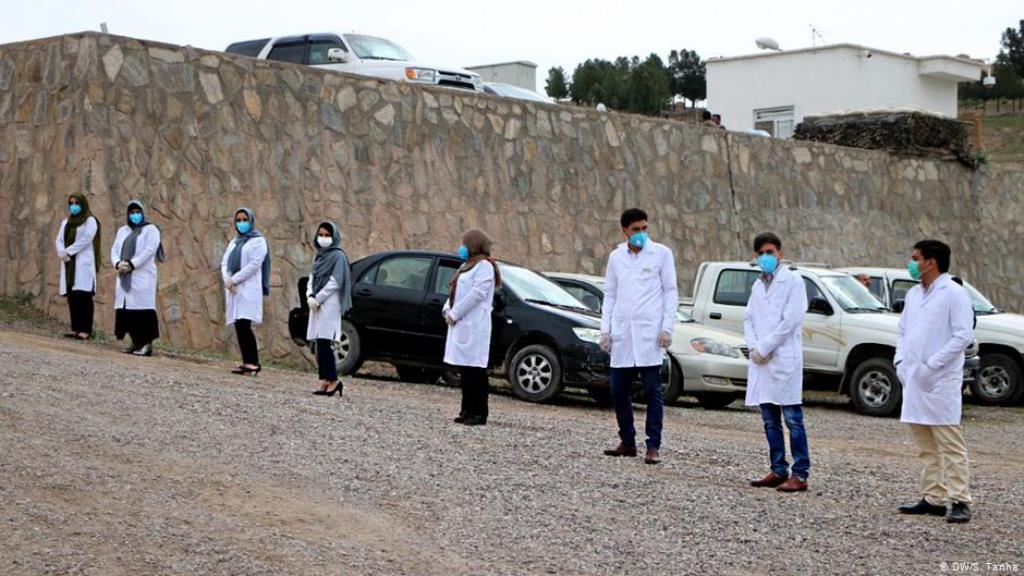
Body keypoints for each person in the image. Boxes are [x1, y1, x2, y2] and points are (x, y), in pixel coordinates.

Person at [896, 240, 975, 524]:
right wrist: (900, 362)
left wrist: (933, 365)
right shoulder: (915, 294)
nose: (912, 262)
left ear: (931, 262)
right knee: (924, 444)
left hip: (940, 380)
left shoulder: (953, 293)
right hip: (914, 378)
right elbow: (903, 330)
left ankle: (960, 499)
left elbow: (962, 336)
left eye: (915, 258)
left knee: (949, 443)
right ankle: (934, 497)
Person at [600, 208, 678, 465]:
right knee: (619, 390)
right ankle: (627, 441)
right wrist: (606, 330)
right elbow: (610, 294)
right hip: (623, 335)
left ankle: (653, 445)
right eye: (636, 230)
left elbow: (670, 292)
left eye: (645, 228)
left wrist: (667, 327)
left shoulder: (661, 255)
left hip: (649, 334)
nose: (641, 234)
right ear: (624, 231)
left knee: (651, 391)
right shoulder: (616, 258)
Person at [744, 232, 810, 492]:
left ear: (780, 254)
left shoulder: (793, 281)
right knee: (769, 419)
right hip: (762, 360)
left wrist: (766, 346)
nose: (765, 257)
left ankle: (800, 473)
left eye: (770, 252)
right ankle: (777, 469)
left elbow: (791, 320)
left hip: (783, 359)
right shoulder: (757, 286)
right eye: (760, 253)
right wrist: (754, 347)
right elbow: (748, 318)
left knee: (793, 419)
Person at [443, 229, 501, 426]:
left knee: (475, 370)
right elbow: (454, 290)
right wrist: (447, 309)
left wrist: (455, 313)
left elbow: (477, 294)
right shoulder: (465, 266)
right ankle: (466, 409)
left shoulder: (484, 266)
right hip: (461, 324)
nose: (462, 248)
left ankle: (479, 412)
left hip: (474, 324)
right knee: (465, 370)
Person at [110, 200, 165, 356]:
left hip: (142, 275)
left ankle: (146, 344)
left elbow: (149, 250)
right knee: (128, 312)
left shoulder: (150, 230)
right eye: (132, 212)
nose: (135, 215)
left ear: (143, 213)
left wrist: (132, 264)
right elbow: (114, 249)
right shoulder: (123, 231)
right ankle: (135, 342)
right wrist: (117, 263)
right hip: (124, 275)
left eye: (137, 212)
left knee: (142, 312)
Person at [221, 208, 270, 376]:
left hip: (248, 287)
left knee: (244, 324)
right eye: (239, 220)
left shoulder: (259, 241)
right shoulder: (235, 242)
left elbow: (254, 265)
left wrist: (234, 280)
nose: (242, 223)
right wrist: (227, 279)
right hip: (234, 289)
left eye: (244, 219)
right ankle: (247, 362)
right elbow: (225, 263)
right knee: (239, 324)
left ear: (251, 221)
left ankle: (252, 362)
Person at [306, 221, 352, 398]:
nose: (323, 239)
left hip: (329, 303)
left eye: (327, 235)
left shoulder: (338, 256)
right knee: (319, 343)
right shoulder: (319, 256)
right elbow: (312, 276)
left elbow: (335, 281)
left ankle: (333, 380)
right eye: (321, 235)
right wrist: (310, 295)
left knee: (325, 342)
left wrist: (318, 298)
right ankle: (324, 379)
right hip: (316, 303)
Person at [55, 193, 101, 340]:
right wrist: (62, 252)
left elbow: (86, 239)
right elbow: (59, 239)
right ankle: (76, 328)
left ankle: (85, 330)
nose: (74, 206)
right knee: (72, 296)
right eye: (71, 203)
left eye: (76, 203)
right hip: (69, 263)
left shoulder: (90, 221)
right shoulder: (66, 221)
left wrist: (69, 251)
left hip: (82, 263)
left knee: (84, 297)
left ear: (83, 204)